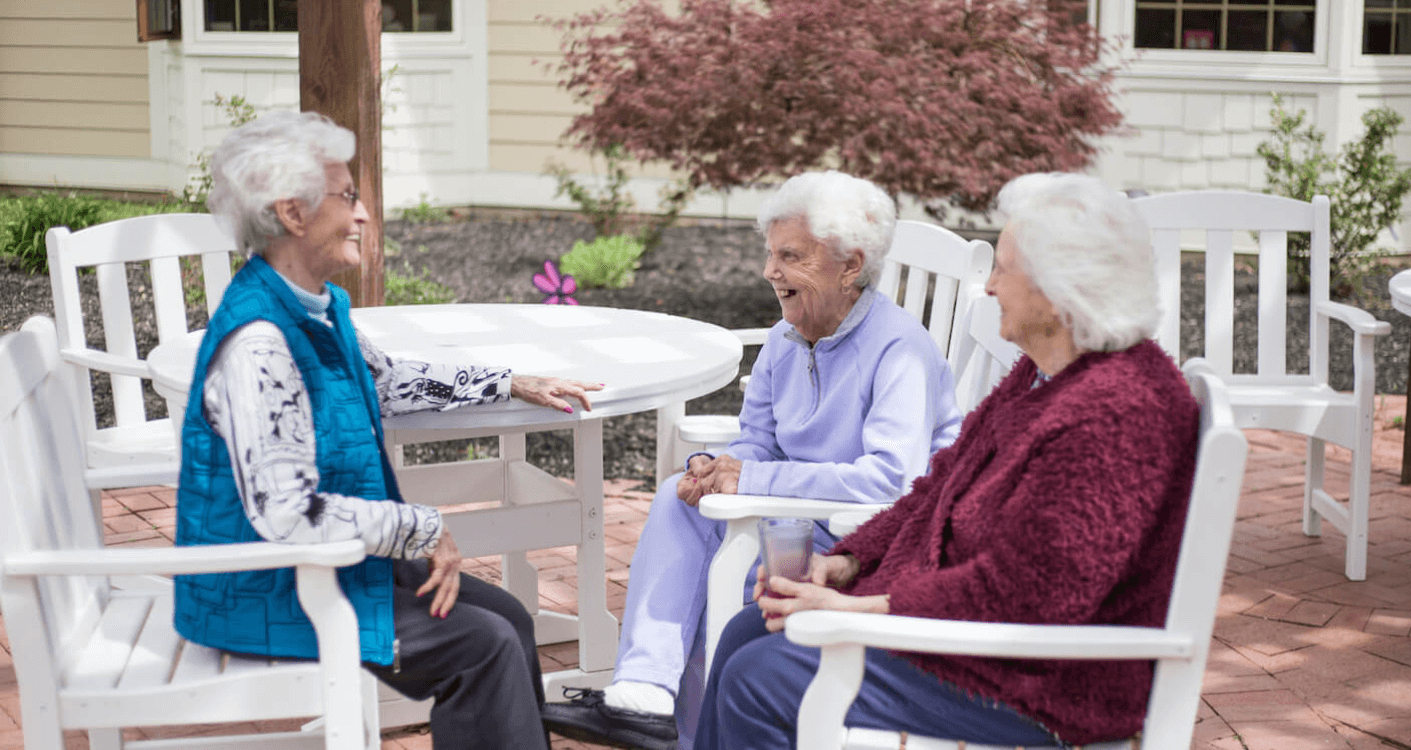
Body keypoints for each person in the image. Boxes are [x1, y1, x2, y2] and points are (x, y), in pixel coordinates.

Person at [693, 172, 1201, 749]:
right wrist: (848, 563)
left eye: (1003, 270)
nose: (988, 287)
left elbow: (1031, 595)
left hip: (1038, 683)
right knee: (744, 631)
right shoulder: (1046, 374)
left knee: (758, 682)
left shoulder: (1117, 413)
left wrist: (869, 610)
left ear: (1061, 294)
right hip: (969, 641)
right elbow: (935, 489)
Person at [172, 110, 601, 750]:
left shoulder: (316, 307)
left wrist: (507, 382)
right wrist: (417, 527)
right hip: (266, 588)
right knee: (481, 647)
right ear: (292, 212)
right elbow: (287, 515)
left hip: (327, 565)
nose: (365, 212)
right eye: (348, 196)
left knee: (509, 616)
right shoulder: (260, 343)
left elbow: (389, 379)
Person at [542, 170, 964, 750]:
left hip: (858, 540)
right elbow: (758, 441)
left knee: (705, 572)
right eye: (771, 254)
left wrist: (753, 475)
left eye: (790, 257)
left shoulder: (900, 351)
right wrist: (719, 467)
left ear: (849, 265)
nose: (771, 272)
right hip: (790, 518)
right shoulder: (784, 340)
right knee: (679, 496)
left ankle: (674, 720)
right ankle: (645, 691)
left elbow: (890, 480)